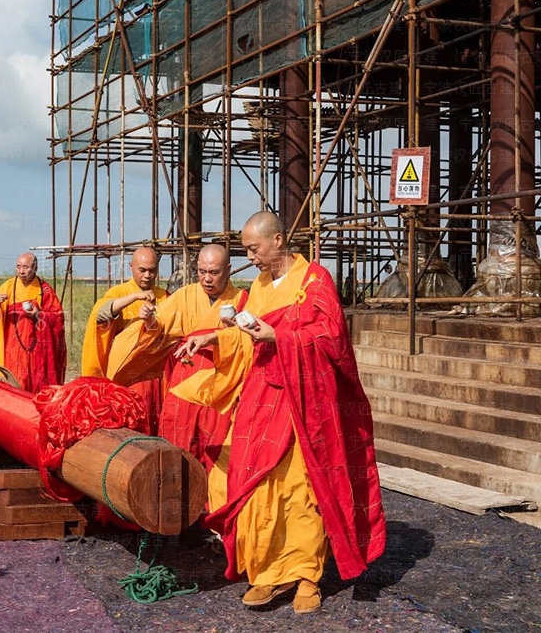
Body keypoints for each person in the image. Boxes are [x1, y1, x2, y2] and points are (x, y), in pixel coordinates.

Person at [181, 212, 386, 614]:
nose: (251, 258)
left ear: (277, 241)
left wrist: (280, 336)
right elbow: (245, 341)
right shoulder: (257, 287)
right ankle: (270, 573)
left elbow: (332, 339)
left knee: (300, 489)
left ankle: (308, 576)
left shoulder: (314, 281)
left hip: (303, 402)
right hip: (260, 400)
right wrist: (211, 339)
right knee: (258, 487)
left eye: (254, 249)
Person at [107, 244, 248, 508]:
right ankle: (175, 505)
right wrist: (149, 320)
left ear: (228, 270)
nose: (206, 278)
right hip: (184, 381)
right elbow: (160, 326)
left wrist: (221, 337)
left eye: (214, 272)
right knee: (178, 441)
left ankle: (211, 509)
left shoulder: (242, 300)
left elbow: (248, 341)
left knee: (215, 445)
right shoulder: (186, 296)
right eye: (202, 271)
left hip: (220, 383)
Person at [81, 247, 169, 427]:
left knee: (154, 421)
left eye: (152, 270)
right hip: (126, 376)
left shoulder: (163, 296)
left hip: (155, 375)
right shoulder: (119, 293)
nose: (147, 275)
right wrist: (135, 297)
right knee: (129, 423)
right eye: (142, 270)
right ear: (131, 266)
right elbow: (101, 314)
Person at [0, 252, 66, 392]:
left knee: (36, 377)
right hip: (13, 344)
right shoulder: (9, 286)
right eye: (18, 267)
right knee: (15, 378)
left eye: (26, 267)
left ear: (35, 267)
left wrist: (39, 314)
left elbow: (57, 317)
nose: (21, 271)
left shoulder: (44, 289)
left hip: (37, 345)